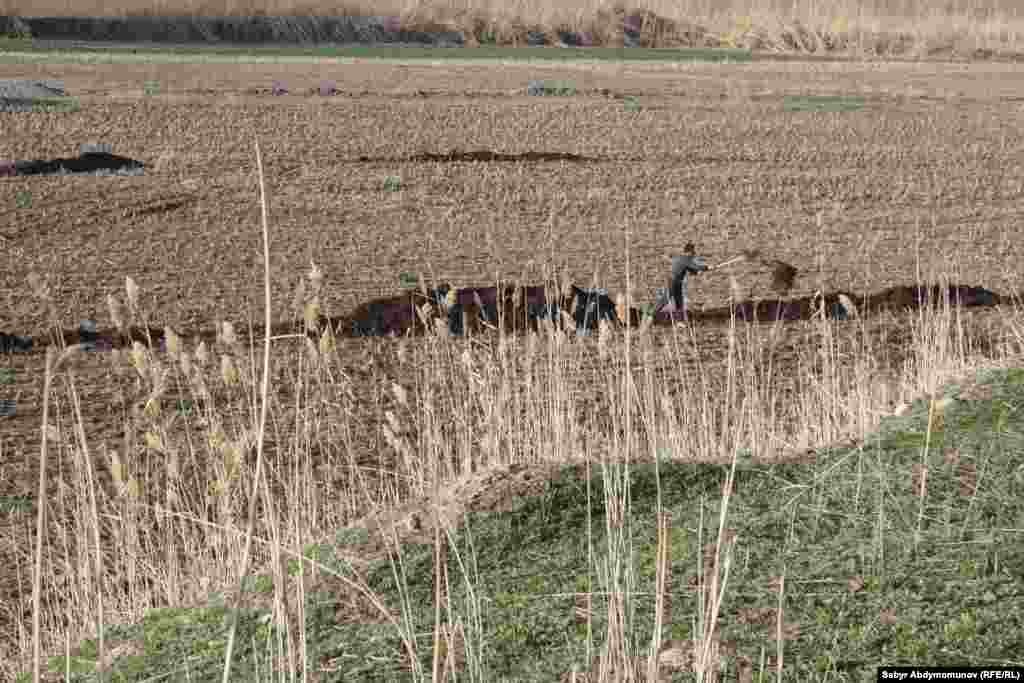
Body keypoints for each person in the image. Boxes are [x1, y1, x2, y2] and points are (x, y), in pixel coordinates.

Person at [659, 242, 708, 319]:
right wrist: (706, 268)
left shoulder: (682, 258)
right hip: (673, 282)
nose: (694, 254)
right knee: (665, 299)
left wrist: (697, 272)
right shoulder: (685, 259)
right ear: (688, 252)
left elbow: (691, 269)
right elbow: (696, 266)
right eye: (693, 252)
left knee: (679, 302)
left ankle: (679, 320)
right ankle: (651, 315)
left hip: (677, 282)